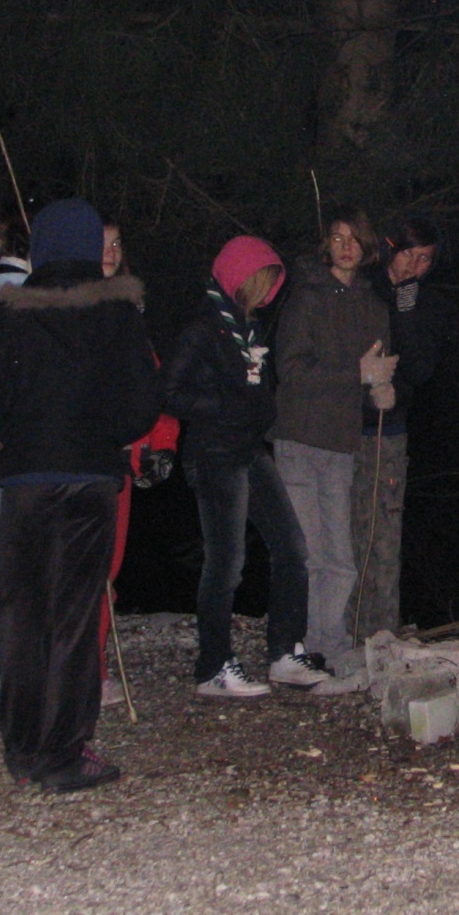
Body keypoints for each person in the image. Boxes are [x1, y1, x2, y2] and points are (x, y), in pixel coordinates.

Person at [0, 198, 161, 793]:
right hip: (89, 482)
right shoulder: (118, 313)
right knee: (74, 617)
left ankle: (24, 749)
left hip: (26, 483)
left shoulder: (13, 314)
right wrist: (102, 432)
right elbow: (142, 406)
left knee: (23, 616)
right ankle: (63, 752)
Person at [165, 235, 324, 696]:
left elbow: (256, 392)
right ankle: (213, 666)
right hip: (215, 455)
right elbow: (169, 391)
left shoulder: (249, 330)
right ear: (239, 277)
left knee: (292, 547)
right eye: (261, 278)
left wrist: (260, 406)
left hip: (251, 450)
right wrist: (222, 404)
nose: (266, 288)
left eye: (272, 280)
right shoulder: (202, 329)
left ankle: (285, 653)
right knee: (226, 562)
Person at [272, 207, 395, 672]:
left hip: (342, 441)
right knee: (307, 552)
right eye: (337, 237)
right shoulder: (306, 297)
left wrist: (380, 391)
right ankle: (300, 644)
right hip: (300, 436)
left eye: (353, 239)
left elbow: (372, 377)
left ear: (365, 249)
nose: (345, 246)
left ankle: (331, 641)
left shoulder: (373, 307)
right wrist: (358, 373)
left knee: (341, 557)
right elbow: (291, 371)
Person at [349, 217, 452, 643]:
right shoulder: (360, 284)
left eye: (425, 258)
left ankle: (383, 632)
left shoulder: (424, 303)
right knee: (347, 531)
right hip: (343, 425)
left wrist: (397, 390)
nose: (413, 264)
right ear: (393, 247)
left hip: (390, 428)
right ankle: (347, 629)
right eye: (409, 252)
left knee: (386, 532)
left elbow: (421, 366)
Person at [95, 216, 180, 706]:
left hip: (120, 459)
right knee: (79, 568)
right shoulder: (68, 304)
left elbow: (150, 383)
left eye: (116, 241)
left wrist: (160, 441)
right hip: (82, 456)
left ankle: (96, 665)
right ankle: (73, 669)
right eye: (100, 242)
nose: (110, 250)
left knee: (109, 565)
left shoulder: (129, 307)